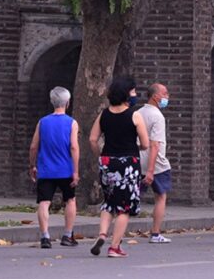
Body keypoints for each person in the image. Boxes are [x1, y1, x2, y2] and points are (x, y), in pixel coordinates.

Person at [88, 76, 149, 258]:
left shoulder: (104, 114)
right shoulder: (134, 115)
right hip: (128, 163)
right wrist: (134, 145)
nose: (135, 94)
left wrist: (100, 155)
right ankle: (114, 247)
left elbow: (92, 139)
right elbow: (145, 144)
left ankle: (102, 234)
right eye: (132, 91)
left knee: (109, 201)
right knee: (125, 207)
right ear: (125, 94)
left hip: (107, 161)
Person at [28, 86, 80, 249]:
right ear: (68, 103)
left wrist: (32, 165)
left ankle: (45, 237)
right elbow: (74, 147)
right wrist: (76, 170)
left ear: (52, 102)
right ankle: (67, 235)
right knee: (70, 200)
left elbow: (33, 147)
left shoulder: (42, 122)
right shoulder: (71, 123)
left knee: (44, 202)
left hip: (46, 169)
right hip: (65, 169)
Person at [140, 83, 173, 244]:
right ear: (155, 96)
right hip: (156, 163)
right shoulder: (157, 116)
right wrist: (151, 170)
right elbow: (155, 144)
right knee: (160, 197)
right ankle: (155, 233)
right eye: (165, 94)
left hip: (138, 161)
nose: (167, 97)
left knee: (131, 196)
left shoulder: (138, 113)